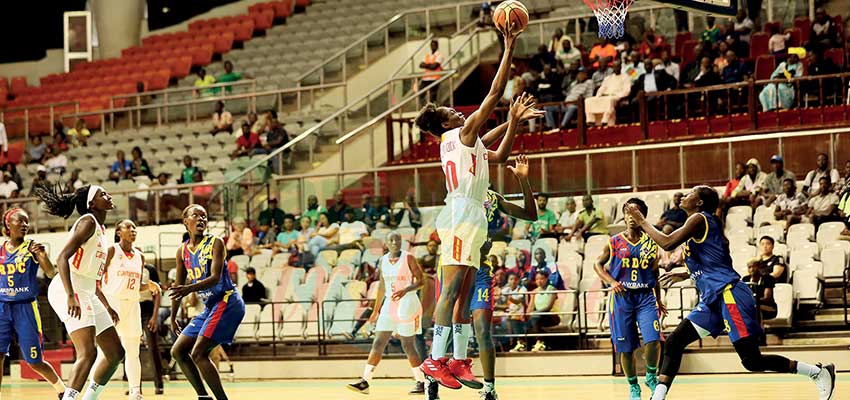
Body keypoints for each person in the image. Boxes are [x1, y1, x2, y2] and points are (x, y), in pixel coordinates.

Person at [413, 22, 540, 395]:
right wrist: (509, 46)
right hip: (461, 215)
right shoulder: (460, 134)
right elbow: (495, 92)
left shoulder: (464, 141)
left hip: (471, 217)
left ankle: (457, 359)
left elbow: (496, 154)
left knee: (463, 294)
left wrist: (513, 121)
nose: (458, 112)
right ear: (446, 124)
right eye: (452, 111)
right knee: (450, 291)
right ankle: (434, 359)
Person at [624, 186, 836, 400]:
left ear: (699, 203)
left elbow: (667, 243)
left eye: (691, 193)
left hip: (729, 294)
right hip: (712, 300)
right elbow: (719, 261)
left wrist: (641, 220)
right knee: (674, 342)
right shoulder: (700, 227)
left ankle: (818, 373)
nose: (685, 195)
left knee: (752, 361)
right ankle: (657, 398)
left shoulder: (700, 219)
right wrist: (687, 274)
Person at [429, 155, 537, 400]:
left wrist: (523, 181)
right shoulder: (457, 197)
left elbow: (531, 214)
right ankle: (432, 382)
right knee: (445, 324)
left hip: (480, 270)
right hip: (453, 265)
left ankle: (489, 389)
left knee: (482, 330)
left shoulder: (491, 198)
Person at [37, 184, 125, 400]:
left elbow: (92, 278)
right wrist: (70, 295)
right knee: (88, 353)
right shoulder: (87, 222)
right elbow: (61, 258)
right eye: (102, 194)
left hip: (86, 291)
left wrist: (106, 306)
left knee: (115, 353)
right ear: (91, 204)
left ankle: (89, 398)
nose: (109, 195)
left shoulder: (101, 230)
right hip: (69, 289)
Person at [169, 204, 246, 400]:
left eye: (204, 216)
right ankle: (203, 396)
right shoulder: (182, 251)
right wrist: (172, 317)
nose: (202, 219)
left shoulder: (216, 243)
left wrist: (189, 289)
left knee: (199, 353)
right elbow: (178, 287)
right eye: (196, 216)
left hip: (228, 302)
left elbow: (215, 277)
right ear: (185, 221)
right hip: (211, 306)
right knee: (178, 351)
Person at [595, 198, 664, 400]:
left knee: (653, 339)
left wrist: (659, 300)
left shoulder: (651, 243)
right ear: (623, 216)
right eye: (627, 213)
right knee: (625, 348)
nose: (631, 217)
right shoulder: (614, 241)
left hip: (645, 297)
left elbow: (655, 273)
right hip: (621, 299)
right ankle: (633, 387)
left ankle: (651, 374)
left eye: (635, 213)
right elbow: (598, 265)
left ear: (642, 216)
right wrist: (611, 282)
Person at [346, 232, 426, 395]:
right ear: (386, 244)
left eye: (397, 239)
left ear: (401, 242)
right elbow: (382, 287)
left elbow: (422, 281)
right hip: (389, 303)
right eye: (391, 240)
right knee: (378, 343)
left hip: (407, 302)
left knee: (407, 345)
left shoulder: (408, 258)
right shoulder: (383, 260)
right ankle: (365, 381)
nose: (395, 242)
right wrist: (375, 310)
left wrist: (406, 289)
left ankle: (422, 382)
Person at [0, 208, 66, 398]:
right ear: (8, 225)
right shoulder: (1, 250)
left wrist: (43, 256)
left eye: (26, 222)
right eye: (20, 221)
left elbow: (51, 273)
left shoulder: (32, 247)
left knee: (34, 361)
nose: (24, 225)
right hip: (2, 307)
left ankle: (62, 390)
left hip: (25, 307)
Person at [98, 219, 162, 400]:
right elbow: (98, 281)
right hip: (112, 304)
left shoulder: (140, 256)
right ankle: (92, 391)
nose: (133, 230)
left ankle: (135, 392)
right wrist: (106, 307)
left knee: (133, 351)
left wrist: (148, 285)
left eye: (134, 227)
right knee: (104, 352)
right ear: (118, 232)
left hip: (132, 306)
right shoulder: (111, 251)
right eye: (128, 227)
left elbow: (134, 286)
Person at [139, 263, 164, 395]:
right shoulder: (124, 268)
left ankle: (159, 384)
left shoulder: (149, 269)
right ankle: (136, 387)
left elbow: (157, 293)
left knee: (153, 347)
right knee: (132, 349)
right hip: (132, 309)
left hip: (148, 310)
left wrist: (155, 316)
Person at [585, 60, 631, 126]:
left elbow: (627, 91)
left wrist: (616, 95)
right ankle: (590, 120)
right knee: (588, 100)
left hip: (616, 96)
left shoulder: (625, 77)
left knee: (609, 100)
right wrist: (598, 96)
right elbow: (602, 88)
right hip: (605, 96)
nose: (616, 68)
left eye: (617, 67)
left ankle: (605, 119)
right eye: (614, 67)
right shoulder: (608, 78)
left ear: (620, 67)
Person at [525, 270, 560, 352]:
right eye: (537, 279)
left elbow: (548, 307)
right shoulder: (535, 291)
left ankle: (540, 341)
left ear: (546, 279)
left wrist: (535, 313)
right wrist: (527, 314)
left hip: (552, 316)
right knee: (520, 322)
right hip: (538, 316)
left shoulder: (551, 289)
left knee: (535, 318)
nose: (539, 281)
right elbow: (531, 307)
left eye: (541, 279)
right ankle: (522, 344)